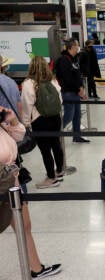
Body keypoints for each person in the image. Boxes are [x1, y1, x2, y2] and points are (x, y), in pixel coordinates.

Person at [0, 105, 62, 279]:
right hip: (3, 184)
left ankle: (36, 268)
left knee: (24, 225)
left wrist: (11, 119)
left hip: (12, 182)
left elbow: (19, 135)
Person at [21, 56, 64, 188]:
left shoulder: (29, 83)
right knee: (56, 144)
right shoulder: (52, 81)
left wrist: (26, 123)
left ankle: (51, 178)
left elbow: (27, 105)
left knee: (45, 150)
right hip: (55, 117)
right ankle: (59, 171)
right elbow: (60, 100)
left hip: (40, 120)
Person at [55, 38, 89, 143]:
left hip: (76, 91)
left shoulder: (74, 59)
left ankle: (77, 136)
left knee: (77, 116)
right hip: (68, 92)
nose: (79, 47)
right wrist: (79, 89)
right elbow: (67, 78)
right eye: (77, 45)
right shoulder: (64, 60)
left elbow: (77, 75)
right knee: (69, 115)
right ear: (72, 47)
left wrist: (82, 87)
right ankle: (56, 132)